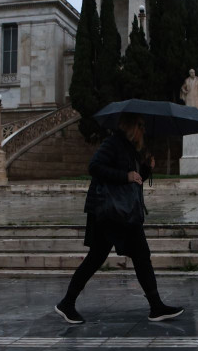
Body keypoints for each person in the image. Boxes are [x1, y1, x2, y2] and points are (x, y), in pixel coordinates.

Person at [55, 113, 183, 324]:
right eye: (140, 125)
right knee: (134, 255)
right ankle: (156, 306)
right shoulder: (113, 143)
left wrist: (146, 168)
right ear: (131, 126)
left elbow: (134, 178)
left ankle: (67, 303)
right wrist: (126, 176)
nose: (143, 130)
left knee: (104, 257)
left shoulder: (129, 148)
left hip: (121, 212)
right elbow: (95, 167)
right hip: (109, 211)